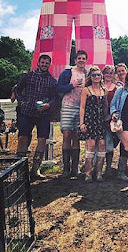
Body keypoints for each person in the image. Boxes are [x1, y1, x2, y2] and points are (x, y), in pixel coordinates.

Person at [15, 54, 58, 180]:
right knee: (22, 138)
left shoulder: (52, 80)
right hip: (27, 112)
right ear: (38, 63)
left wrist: (48, 105)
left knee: (42, 140)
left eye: (46, 63)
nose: (44, 65)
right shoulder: (28, 76)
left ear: (49, 65)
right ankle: (20, 171)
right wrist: (22, 101)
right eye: (42, 62)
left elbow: (55, 97)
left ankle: (35, 170)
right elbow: (18, 90)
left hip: (43, 114)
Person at [57, 50, 87, 178]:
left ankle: (75, 169)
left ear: (86, 61)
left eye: (83, 58)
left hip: (81, 108)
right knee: (66, 135)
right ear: (75, 60)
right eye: (79, 58)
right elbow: (58, 88)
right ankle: (66, 169)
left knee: (76, 137)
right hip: (68, 106)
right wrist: (71, 85)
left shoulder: (87, 74)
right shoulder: (68, 72)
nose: (81, 60)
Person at [79, 66, 108, 182]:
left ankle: (99, 173)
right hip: (90, 120)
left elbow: (105, 106)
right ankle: (88, 173)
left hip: (100, 121)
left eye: (98, 75)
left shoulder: (104, 90)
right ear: (90, 77)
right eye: (94, 75)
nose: (96, 77)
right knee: (90, 145)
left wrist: (108, 117)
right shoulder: (86, 90)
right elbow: (82, 107)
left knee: (102, 144)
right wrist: (82, 123)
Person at [102, 65, 117, 178]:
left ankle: (108, 168)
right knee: (99, 144)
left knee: (109, 144)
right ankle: (97, 168)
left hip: (111, 119)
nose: (109, 75)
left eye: (111, 73)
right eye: (107, 72)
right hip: (99, 118)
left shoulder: (117, 88)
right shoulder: (98, 86)